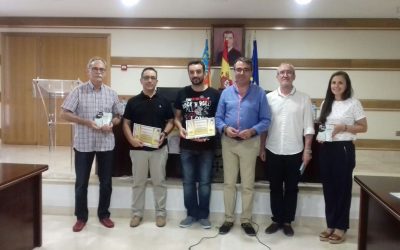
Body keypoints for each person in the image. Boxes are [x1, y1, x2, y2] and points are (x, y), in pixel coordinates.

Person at [61, 56, 124, 232]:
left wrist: (113, 124)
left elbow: (118, 115)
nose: (98, 72)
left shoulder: (111, 93)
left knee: (106, 183)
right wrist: (87, 122)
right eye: (95, 69)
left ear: (105, 72)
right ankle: (81, 217)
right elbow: (64, 114)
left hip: (105, 144)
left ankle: (104, 214)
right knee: (81, 182)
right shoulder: (78, 91)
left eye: (101, 69)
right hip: (84, 144)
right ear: (88, 71)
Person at [216, 57, 271, 236]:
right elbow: (218, 118)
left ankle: (246, 220)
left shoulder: (260, 93)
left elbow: (266, 120)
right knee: (229, 183)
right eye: (238, 69)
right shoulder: (225, 93)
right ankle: (228, 219)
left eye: (245, 69)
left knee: (247, 184)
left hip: (250, 143)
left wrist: (253, 131)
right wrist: (224, 128)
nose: (241, 73)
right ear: (234, 71)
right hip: (229, 143)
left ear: (251, 72)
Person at [260, 63, 315, 237]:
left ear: (294, 76)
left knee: (292, 188)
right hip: (273, 149)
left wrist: (307, 151)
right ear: (277, 76)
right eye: (282, 72)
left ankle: (287, 221)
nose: (285, 75)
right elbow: (265, 126)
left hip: (295, 151)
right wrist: (262, 147)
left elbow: (308, 128)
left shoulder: (304, 99)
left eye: (289, 72)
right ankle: (276, 219)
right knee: (275, 187)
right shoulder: (268, 98)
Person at [317, 71, 367, 244]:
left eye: (340, 83)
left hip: (344, 149)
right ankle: (330, 224)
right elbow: (323, 124)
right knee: (328, 189)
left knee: (342, 189)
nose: (336, 86)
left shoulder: (353, 103)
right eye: (333, 82)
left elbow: (363, 127)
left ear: (346, 86)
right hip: (327, 149)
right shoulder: (326, 102)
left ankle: (341, 227)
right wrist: (321, 136)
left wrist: (344, 127)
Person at [122, 67, 174, 228]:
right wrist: (131, 139)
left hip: (159, 149)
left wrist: (164, 134)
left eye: (152, 77)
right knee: (138, 183)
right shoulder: (133, 102)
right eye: (146, 77)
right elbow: (125, 123)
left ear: (157, 81)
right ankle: (137, 214)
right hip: (138, 150)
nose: (149, 80)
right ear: (141, 81)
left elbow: (171, 121)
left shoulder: (164, 101)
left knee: (159, 182)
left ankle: (160, 214)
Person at [174, 60, 220, 229]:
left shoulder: (215, 94)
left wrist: (210, 131)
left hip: (207, 147)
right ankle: (191, 214)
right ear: (189, 74)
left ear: (204, 72)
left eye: (198, 72)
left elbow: (219, 119)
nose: (195, 75)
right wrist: (180, 129)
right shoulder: (182, 93)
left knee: (205, 182)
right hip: (187, 146)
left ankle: (203, 215)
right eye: (192, 72)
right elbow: (177, 118)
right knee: (188, 182)